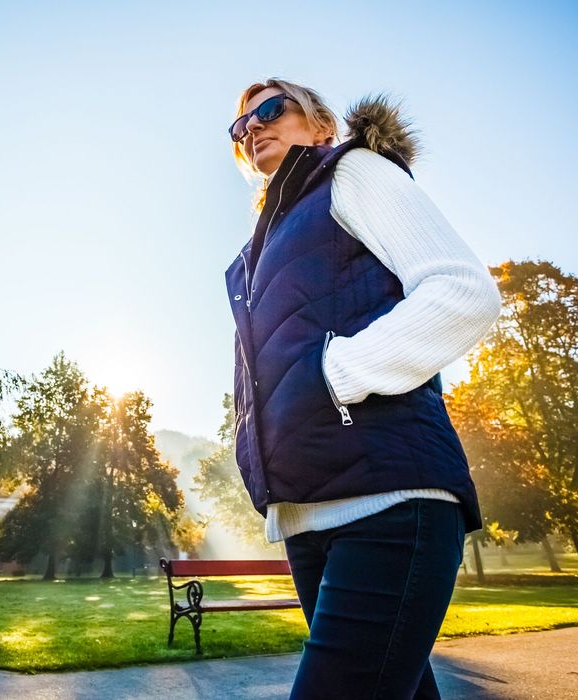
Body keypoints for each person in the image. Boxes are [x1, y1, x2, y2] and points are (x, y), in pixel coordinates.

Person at [224, 78, 502, 699]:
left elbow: (462, 291)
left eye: (271, 109)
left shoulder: (351, 173)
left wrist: (338, 377)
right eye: (240, 127)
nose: (254, 128)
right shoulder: (258, 251)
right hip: (304, 514)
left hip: (388, 500)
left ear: (320, 123)